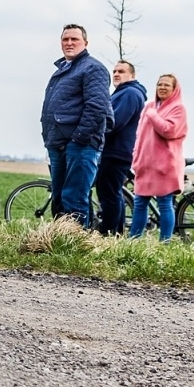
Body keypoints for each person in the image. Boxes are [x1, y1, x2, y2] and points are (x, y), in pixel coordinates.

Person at [39, 24, 111, 228]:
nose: (69, 43)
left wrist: (79, 139)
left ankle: (75, 242)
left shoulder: (93, 68)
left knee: (74, 199)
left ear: (85, 43)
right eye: (65, 39)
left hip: (80, 145)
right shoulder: (63, 69)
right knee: (60, 199)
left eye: (74, 39)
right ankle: (60, 239)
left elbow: (97, 108)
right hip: (57, 142)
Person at [131, 74, 187, 240]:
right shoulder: (149, 106)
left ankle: (164, 242)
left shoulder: (178, 108)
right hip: (145, 164)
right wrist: (136, 156)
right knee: (139, 202)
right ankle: (133, 240)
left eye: (167, 85)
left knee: (164, 203)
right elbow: (139, 134)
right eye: (159, 84)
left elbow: (169, 131)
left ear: (174, 89)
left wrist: (154, 116)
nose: (162, 88)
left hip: (165, 166)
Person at [94, 60, 147, 235]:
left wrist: (96, 134)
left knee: (108, 194)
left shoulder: (129, 93)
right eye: (115, 71)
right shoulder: (124, 92)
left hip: (116, 151)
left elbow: (115, 122)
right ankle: (116, 233)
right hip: (117, 150)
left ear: (132, 75)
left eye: (121, 71)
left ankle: (108, 233)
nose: (116, 74)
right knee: (113, 193)